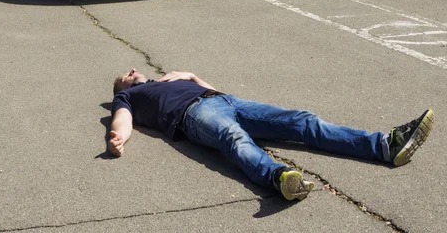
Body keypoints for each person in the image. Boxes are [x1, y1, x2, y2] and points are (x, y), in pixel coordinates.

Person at [108, 68, 434, 201]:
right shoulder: (129, 97)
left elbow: (214, 89)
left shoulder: (170, 78)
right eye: (126, 74)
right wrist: (118, 136)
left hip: (226, 101)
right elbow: (123, 118)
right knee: (233, 140)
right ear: (121, 86)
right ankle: (280, 178)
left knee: (300, 121)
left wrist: (192, 75)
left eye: (134, 69)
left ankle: (385, 145)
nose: (133, 72)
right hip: (194, 115)